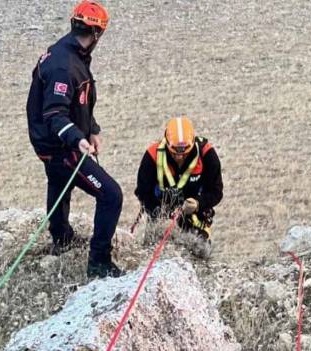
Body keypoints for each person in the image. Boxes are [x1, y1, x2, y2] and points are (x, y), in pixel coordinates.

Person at [26, 1, 123, 278]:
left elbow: (77, 103)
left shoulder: (69, 53)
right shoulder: (64, 66)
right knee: (111, 195)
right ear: (96, 34)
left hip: (52, 144)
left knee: (58, 183)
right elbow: (55, 113)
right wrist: (76, 139)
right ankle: (99, 262)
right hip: (60, 146)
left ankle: (62, 238)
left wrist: (91, 128)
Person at [134, 116, 224, 257]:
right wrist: (161, 214)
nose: (180, 157)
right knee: (155, 254)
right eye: (174, 153)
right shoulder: (152, 156)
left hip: (195, 217)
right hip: (160, 218)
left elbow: (216, 191)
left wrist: (199, 203)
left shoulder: (207, 155)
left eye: (185, 153)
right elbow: (142, 192)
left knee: (200, 254)